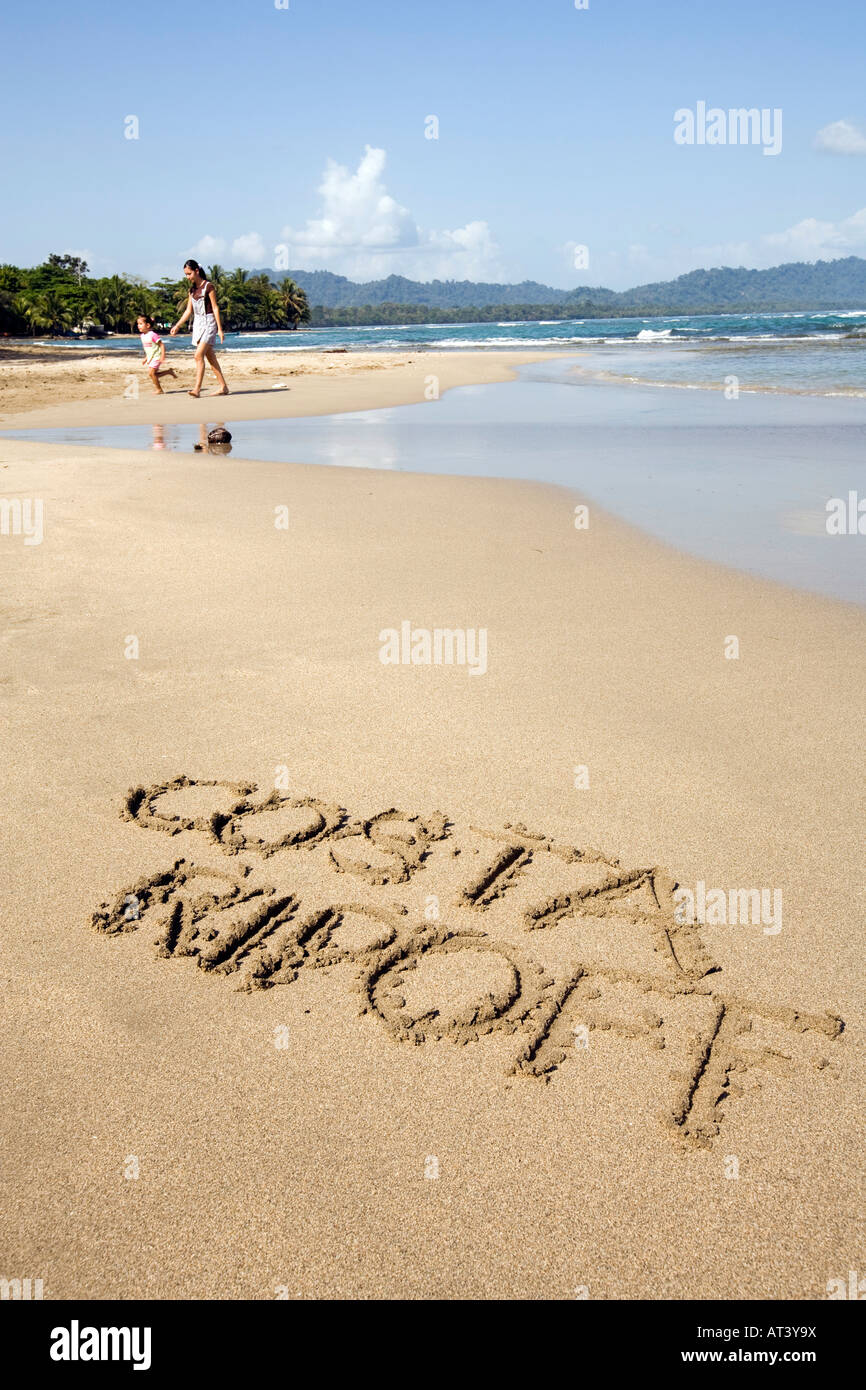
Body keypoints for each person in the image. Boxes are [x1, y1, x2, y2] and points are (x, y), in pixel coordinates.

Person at [170, 259, 229, 397]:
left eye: (189, 274)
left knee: (198, 355)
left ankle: (197, 389)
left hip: (209, 323)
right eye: (185, 274)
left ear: (197, 271)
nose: (187, 277)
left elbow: (215, 307)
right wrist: (177, 325)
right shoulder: (191, 290)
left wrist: (220, 329)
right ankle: (223, 387)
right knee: (211, 358)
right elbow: (188, 311)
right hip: (198, 324)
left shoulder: (209, 286)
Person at [137, 314, 176, 395]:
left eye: (141, 324)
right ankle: (169, 372)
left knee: (151, 373)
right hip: (151, 357)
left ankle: (159, 389)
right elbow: (149, 349)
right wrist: (146, 358)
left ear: (147, 325)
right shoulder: (142, 336)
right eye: (138, 324)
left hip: (157, 357)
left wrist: (162, 356)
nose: (138, 326)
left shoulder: (153, 335)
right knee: (153, 374)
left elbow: (161, 345)